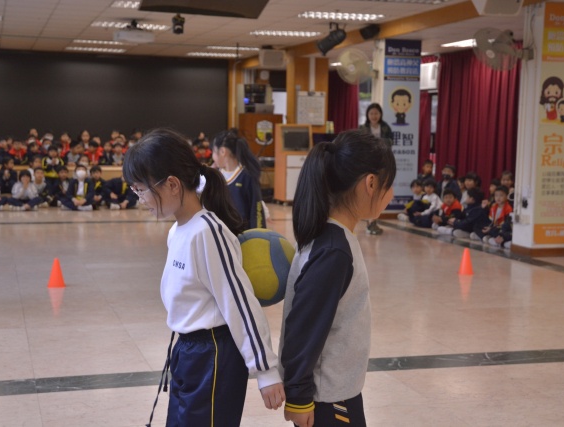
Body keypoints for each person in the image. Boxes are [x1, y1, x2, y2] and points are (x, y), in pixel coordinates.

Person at [122, 128, 284, 426]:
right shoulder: (178, 231)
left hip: (213, 355)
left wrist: (266, 370)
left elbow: (240, 303)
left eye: (141, 189)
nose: (140, 199)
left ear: (172, 184)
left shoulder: (208, 232)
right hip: (188, 351)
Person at [279, 129, 395, 427]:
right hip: (328, 400)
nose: (391, 194)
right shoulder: (333, 251)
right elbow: (303, 327)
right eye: (389, 184)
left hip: (336, 392)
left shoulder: (334, 238)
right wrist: (299, 396)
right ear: (371, 183)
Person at [212, 130, 266, 230]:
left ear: (222, 151)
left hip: (243, 235)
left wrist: (259, 234)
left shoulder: (247, 176)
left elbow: (257, 210)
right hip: (221, 234)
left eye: (214, 152)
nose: (213, 157)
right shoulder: (215, 176)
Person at [360, 102, 393, 235]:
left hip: (382, 163)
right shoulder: (362, 128)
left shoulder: (385, 127)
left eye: (376, 113)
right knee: (368, 191)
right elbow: (360, 145)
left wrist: (377, 143)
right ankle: (369, 221)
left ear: (380, 114)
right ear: (367, 115)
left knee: (379, 192)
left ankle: (373, 221)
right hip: (367, 164)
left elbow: (390, 142)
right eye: (371, 113)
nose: (374, 116)